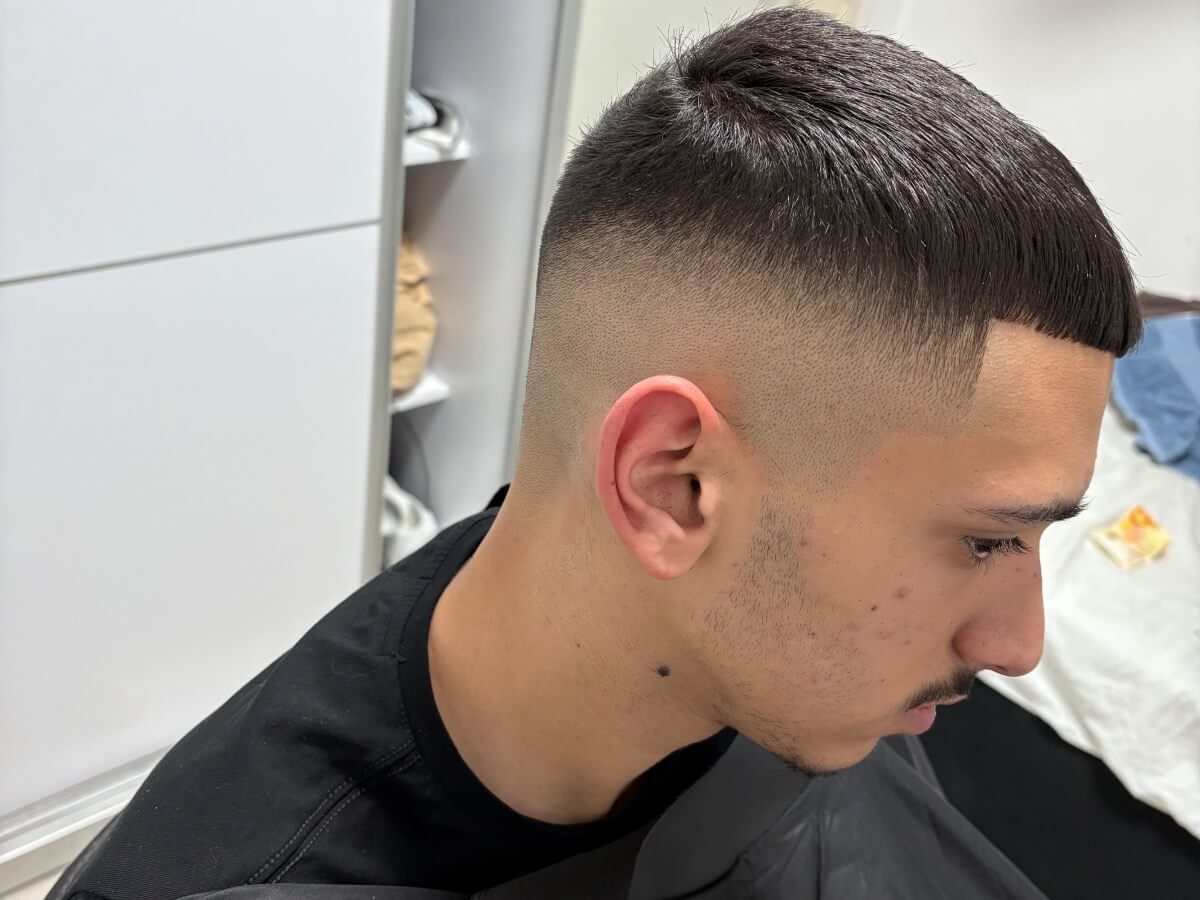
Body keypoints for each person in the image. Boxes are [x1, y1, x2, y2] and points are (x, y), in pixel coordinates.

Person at [51, 7, 1139, 899]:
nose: (1018, 646)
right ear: (674, 485)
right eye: (987, 541)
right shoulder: (243, 874)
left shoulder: (796, 667)